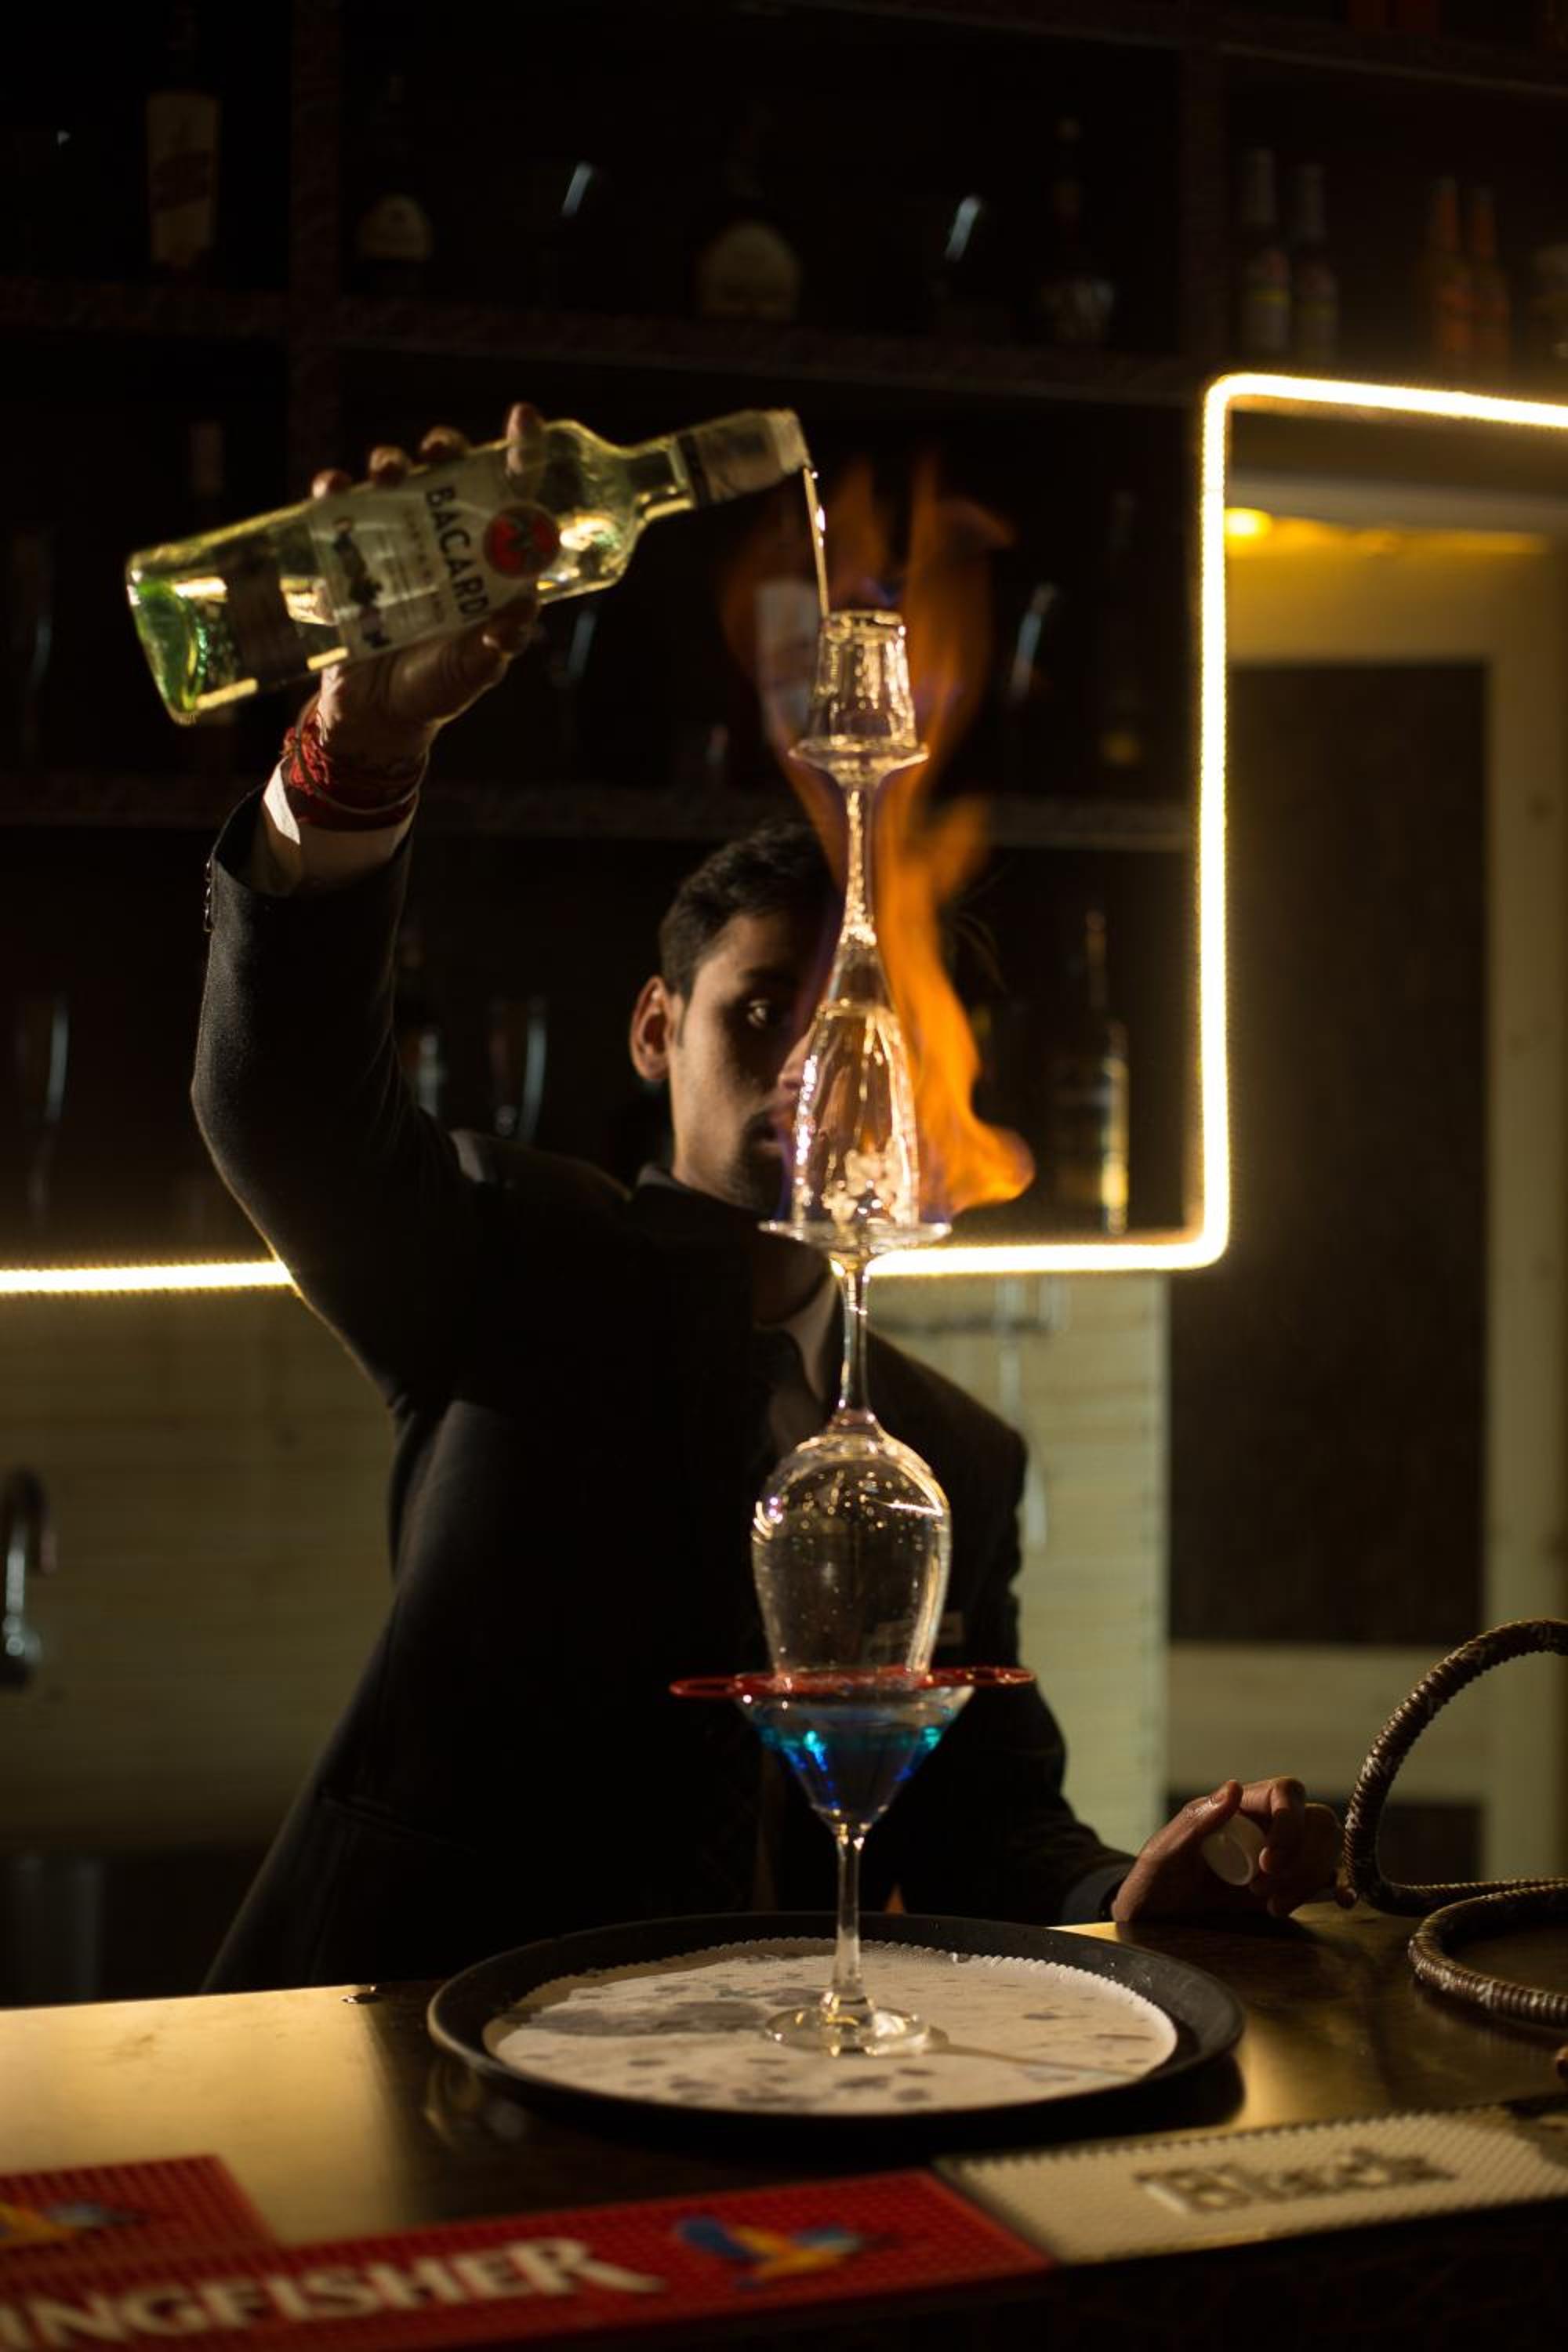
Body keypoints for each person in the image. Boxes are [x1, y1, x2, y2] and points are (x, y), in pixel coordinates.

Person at [195, 404, 1339, 1992]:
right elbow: (284, 1108)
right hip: (415, 2036)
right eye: (754, 1014)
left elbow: (990, 1834)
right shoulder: (521, 1268)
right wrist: (359, 753)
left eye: (854, 1025)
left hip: (766, 2078)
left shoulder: (953, 1454)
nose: (811, 1065)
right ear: (652, 1031)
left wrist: (1135, 1893)